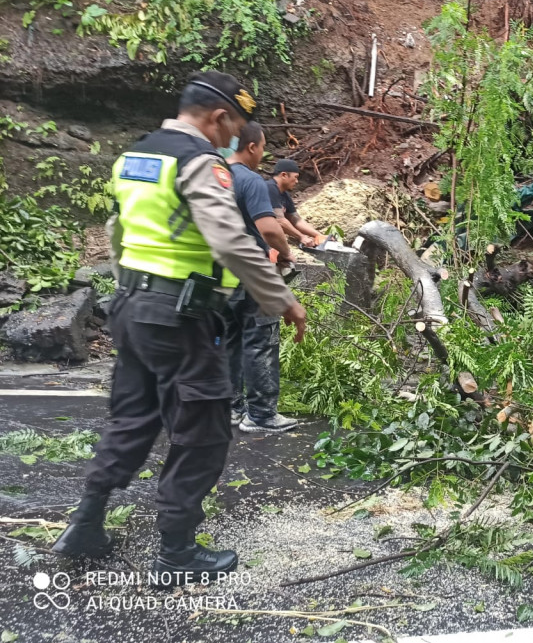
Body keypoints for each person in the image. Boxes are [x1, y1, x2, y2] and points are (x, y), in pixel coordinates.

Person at [51, 72, 307, 587]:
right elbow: (232, 241)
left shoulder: (137, 155)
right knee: (203, 429)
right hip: (183, 317)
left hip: (132, 306)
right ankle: (177, 552)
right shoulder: (200, 162)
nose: (231, 139)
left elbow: (117, 232)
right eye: (231, 127)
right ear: (218, 118)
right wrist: (282, 299)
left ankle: (85, 524)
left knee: (132, 417)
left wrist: (134, 292)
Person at [224, 121, 299, 433]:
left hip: (217, 273)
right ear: (252, 147)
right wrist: (285, 253)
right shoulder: (249, 180)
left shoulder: (212, 175)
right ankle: (262, 415)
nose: (262, 153)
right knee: (261, 340)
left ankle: (230, 408)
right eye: (263, 147)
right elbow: (269, 229)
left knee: (228, 340)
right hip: (251, 271)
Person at [267, 159, 327, 248]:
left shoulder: (284, 194)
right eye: (295, 177)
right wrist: (301, 237)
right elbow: (279, 221)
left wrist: (318, 235)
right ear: (284, 175)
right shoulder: (270, 188)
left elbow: (296, 220)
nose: (297, 181)